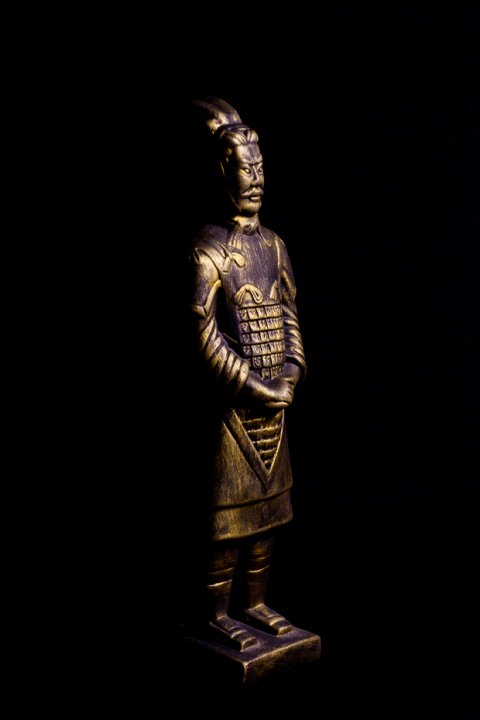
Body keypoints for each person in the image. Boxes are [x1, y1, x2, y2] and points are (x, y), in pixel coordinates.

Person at [187, 98, 306, 651]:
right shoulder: (205, 251)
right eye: (244, 168)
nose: (255, 179)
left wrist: (292, 372)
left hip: (273, 411)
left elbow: (289, 315)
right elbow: (203, 338)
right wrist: (256, 386)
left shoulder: (274, 245)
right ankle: (215, 613)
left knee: (268, 515)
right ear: (220, 173)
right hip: (230, 418)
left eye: (261, 167)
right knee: (226, 523)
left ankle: (255, 603)